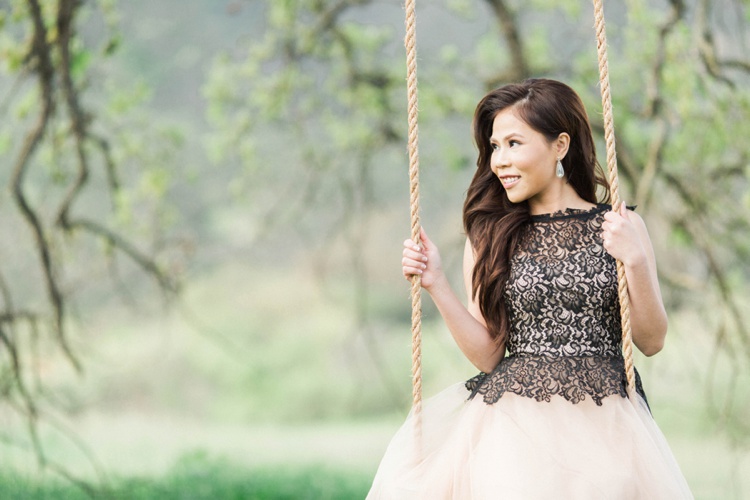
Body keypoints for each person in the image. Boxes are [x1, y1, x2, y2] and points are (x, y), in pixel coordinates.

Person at [367, 79, 693, 499]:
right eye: (494, 147)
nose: (499, 160)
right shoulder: (489, 235)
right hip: (514, 430)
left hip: (607, 428)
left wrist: (637, 260)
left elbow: (651, 340)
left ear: (560, 145)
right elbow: (488, 355)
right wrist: (436, 284)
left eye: (514, 143)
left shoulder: (619, 228)